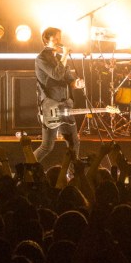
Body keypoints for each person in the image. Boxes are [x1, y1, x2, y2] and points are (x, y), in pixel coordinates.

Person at [33, 27, 85, 163]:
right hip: (51, 106)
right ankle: (28, 169)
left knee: (74, 142)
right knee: (47, 146)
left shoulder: (58, 58)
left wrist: (76, 83)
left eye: (59, 38)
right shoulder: (41, 58)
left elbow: (68, 79)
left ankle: (74, 175)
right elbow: (56, 74)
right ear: (47, 40)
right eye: (55, 38)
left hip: (65, 104)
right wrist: (65, 55)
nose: (59, 41)